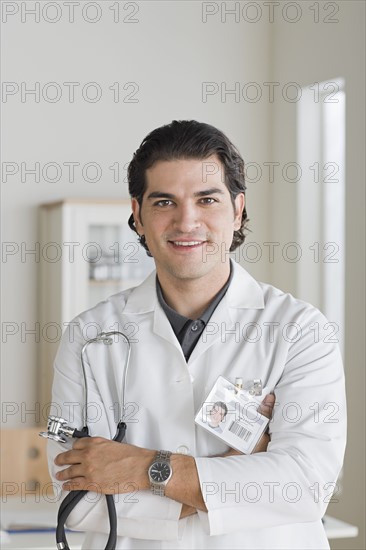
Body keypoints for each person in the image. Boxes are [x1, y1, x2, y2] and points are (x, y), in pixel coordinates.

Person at [48, 120, 346, 550]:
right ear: (138, 214)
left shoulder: (300, 331)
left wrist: (143, 468)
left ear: (237, 209)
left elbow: (303, 488)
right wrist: (238, 466)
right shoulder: (89, 338)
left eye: (207, 199)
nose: (187, 221)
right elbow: (76, 502)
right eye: (164, 201)